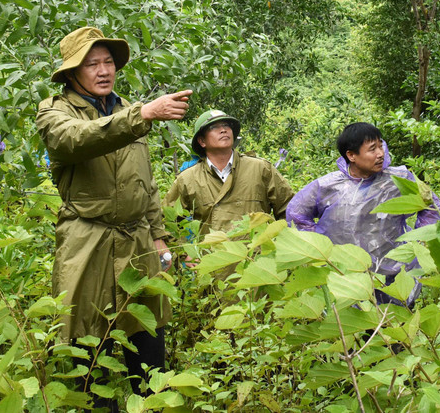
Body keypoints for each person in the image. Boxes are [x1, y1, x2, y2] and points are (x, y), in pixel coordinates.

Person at [36, 26, 192, 409]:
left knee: (148, 341)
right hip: (87, 243)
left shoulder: (127, 110)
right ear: (72, 71)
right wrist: (144, 113)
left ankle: (150, 403)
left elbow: (145, 182)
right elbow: (75, 139)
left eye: (108, 62)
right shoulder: (54, 111)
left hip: (137, 242)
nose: (104, 70)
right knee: (89, 347)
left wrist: (158, 236)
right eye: (92, 64)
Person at [286, 122, 440, 308]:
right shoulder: (328, 186)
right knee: (355, 322)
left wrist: (421, 241)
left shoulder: (397, 180)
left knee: (398, 320)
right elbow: (296, 214)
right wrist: (320, 246)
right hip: (347, 274)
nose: (380, 154)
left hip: (395, 273)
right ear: (351, 155)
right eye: (372, 149)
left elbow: (430, 205)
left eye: (380, 146)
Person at [162, 109, 294, 238]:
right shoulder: (188, 178)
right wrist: (184, 249)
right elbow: (168, 222)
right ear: (202, 141)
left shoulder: (260, 168)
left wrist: (280, 244)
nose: (223, 130)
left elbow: (290, 210)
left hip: (255, 252)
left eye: (226, 125)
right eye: (214, 127)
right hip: (211, 251)